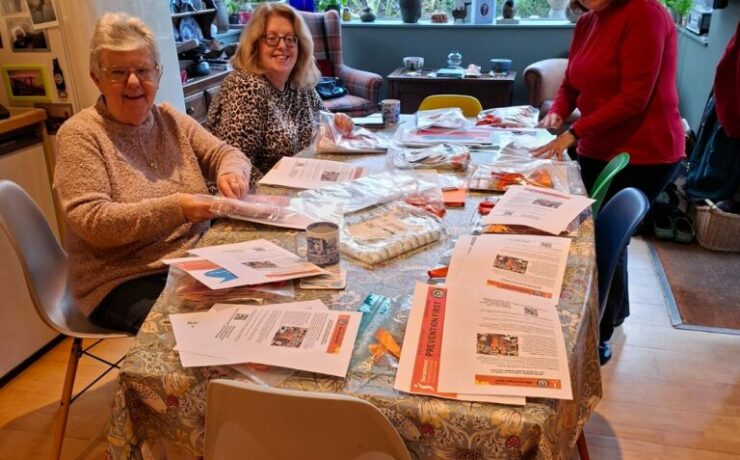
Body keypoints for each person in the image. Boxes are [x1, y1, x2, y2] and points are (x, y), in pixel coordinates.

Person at [53, 12, 251, 334]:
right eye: (118, 72)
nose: (133, 82)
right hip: (121, 278)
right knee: (209, 333)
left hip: (192, 260)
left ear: (157, 74)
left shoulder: (170, 119)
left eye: (143, 70)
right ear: (96, 78)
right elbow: (93, 221)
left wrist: (232, 173)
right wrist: (180, 207)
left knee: (259, 305)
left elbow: (227, 153)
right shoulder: (80, 135)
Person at [531, 0, 684, 365]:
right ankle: (614, 313)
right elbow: (571, 83)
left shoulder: (645, 12)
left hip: (643, 151)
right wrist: (558, 111)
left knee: (604, 240)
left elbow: (635, 98)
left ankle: (598, 333)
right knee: (603, 239)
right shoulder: (588, 22)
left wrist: (574, 133)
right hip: (597, 145)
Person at [207, 2, 353, 186]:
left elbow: (325, 123)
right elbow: (236, 166)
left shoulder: (299, 84)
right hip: (247, 193)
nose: (283, 45)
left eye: (290, 39)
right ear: (255, 44)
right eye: (272, 38)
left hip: (294, 184)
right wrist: (282, 193)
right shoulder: (245, 87)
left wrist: (338, 121)